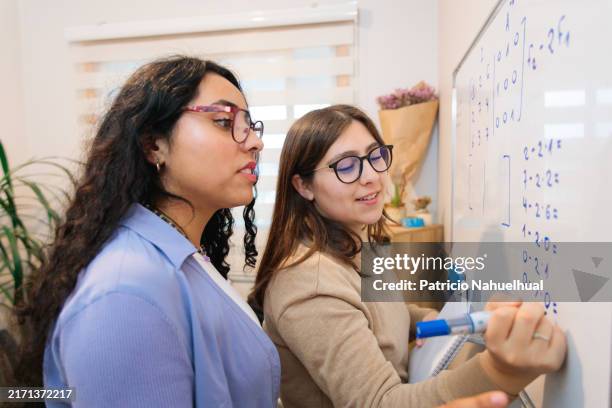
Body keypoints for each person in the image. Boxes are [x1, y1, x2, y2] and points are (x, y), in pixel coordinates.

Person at [250, 104, 567, 407]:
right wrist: (503, 372)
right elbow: (381, 403)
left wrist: (430, 321)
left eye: (376, 155)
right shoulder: (309, 284)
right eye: (346, 165)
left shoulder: (357, 239)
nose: (372, 175)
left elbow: (385, 313)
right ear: (304, 186)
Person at [17, 56, 280, 407]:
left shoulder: (183, 254)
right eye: (223, 121)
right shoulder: (126, 293)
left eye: (378, 157)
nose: (255, 143)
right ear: (153, 144)